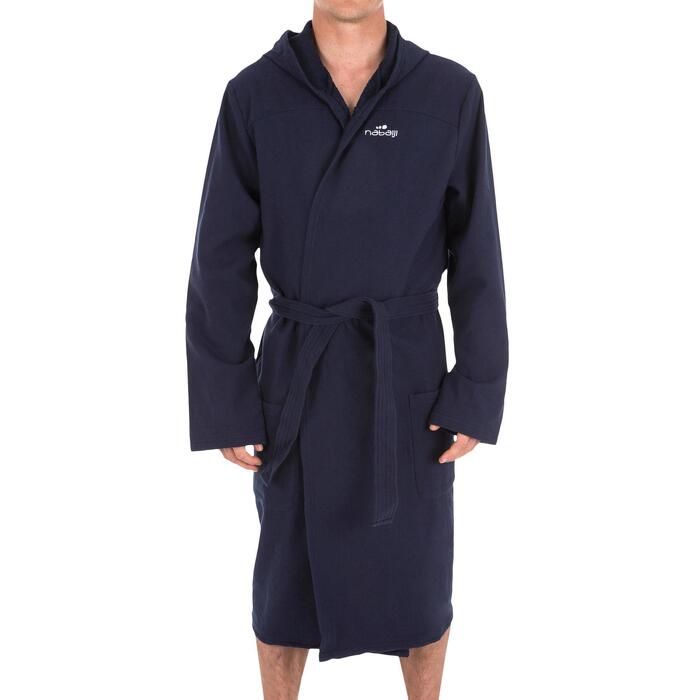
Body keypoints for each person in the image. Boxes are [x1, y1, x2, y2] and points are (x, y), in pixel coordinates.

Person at [186, 1, 508, 697]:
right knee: (283, 594)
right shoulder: (253, 94)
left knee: (422, 592)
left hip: (408, 380)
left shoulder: (449, 92)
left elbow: (477, 252)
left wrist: (477, 388)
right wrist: (226, 400)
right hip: (298, 379)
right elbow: (219, 257)